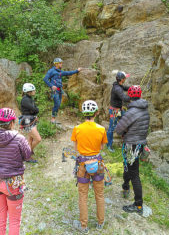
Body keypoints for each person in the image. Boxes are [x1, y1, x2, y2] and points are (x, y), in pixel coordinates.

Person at [71, 100, 108, 234]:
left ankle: (84, 226)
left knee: (83, 196)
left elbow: (76, 149)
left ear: (83, 113)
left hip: (82, 165)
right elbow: (101, 147)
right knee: (99, 194)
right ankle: (100, 222)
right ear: (96, 113)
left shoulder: (77, 129)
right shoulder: (101, 129)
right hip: (97, 164)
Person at [115, 85, 150, 215]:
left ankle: (138, 205)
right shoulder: (145, 109)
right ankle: (125, 187)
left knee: (134, 174)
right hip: (139, 144)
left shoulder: (131, 112)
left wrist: (121, 119)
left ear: (129, 97)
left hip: (131, 145)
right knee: (128, 166)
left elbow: (118, 130)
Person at [44, 58, 81, 124]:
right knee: (57, 104)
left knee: (58, 105)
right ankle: (52, 119)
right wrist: (51, 86)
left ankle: (54, 119)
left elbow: (68, 73)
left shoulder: (60, 72)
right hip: (55, 91)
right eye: (60, 63)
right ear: (56, 64)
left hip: (60, 91)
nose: (62, 64)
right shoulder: (51, 71)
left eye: (61, 63)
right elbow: (45, 79)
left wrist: (76, 71)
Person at [106, 71, 131, 152]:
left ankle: (124, 137)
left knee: (126, 121)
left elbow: (125, 88)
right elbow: (124, 98)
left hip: (119, 110)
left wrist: (133, 88)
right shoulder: (117, 89)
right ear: (121, 79)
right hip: (114, 111)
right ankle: (109, 145)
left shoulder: (118, 85)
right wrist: (134, 95)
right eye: (125, 78)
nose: (126, 78)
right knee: (111, 128)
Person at [19, 83, 41, 163]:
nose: (34, 91)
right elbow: (35, 109)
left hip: (30, 119)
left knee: (30, 139)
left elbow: (34, 109)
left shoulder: (29, 98)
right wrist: (35, 110)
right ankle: (27, 154)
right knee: (38, 139)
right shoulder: (25, 99)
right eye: (33, 90)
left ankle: (28, 154)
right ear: (29, 91)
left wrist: (35, 112)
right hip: (27, 121)